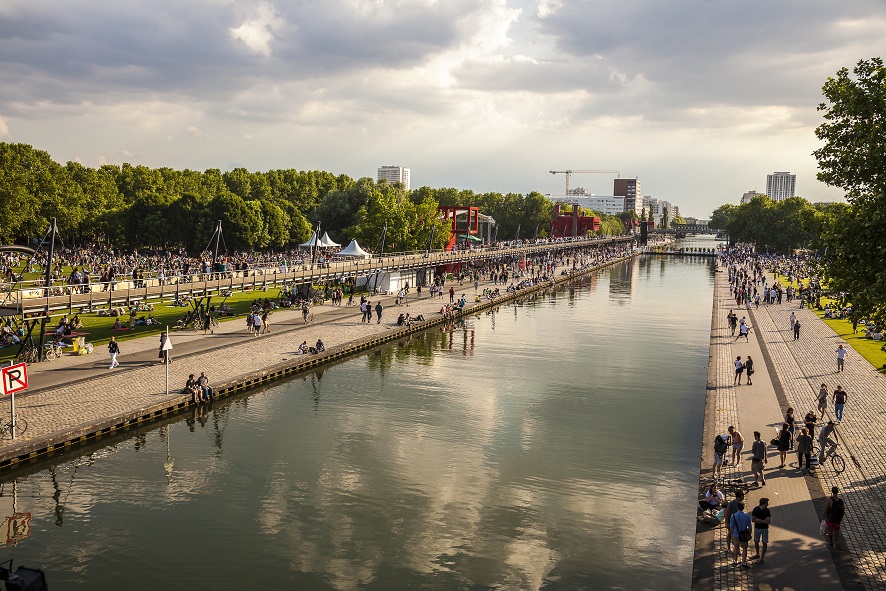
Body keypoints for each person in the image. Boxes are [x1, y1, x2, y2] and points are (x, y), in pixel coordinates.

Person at [730, 501, 752, 568]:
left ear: (737, 507)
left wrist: (732, 534)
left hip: (736, 534)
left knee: (736, 547)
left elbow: (731, 527)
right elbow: (750, 527)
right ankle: (743, 562)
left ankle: (735, 560)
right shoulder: (747, 516)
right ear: (743, 507)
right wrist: (749, 534)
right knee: (744, 548)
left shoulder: (733, 516)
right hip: (744, 535)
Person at [724, 490, 745, 556]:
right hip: (731, 522)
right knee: (730, 534)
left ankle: (737, 549)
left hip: (737, 522)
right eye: (742, 496)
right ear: (739, 497)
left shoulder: (740, 503)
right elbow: (726, 512)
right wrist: (726, 522)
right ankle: (729, 548)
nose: (743, 498)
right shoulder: (731, 503)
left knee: (737, 535)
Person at [751, 498, 771, 563]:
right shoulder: (756, 509)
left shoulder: (767, 510)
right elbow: (753, 520)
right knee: (756, 541)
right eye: (767, 503)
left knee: (764, 542)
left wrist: (759, 520)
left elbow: (768, 521)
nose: (768, 504)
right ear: (763, 504)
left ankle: (762, 557)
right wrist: (764, 521)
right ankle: (757, 554)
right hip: (758, 528)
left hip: (764, 529)